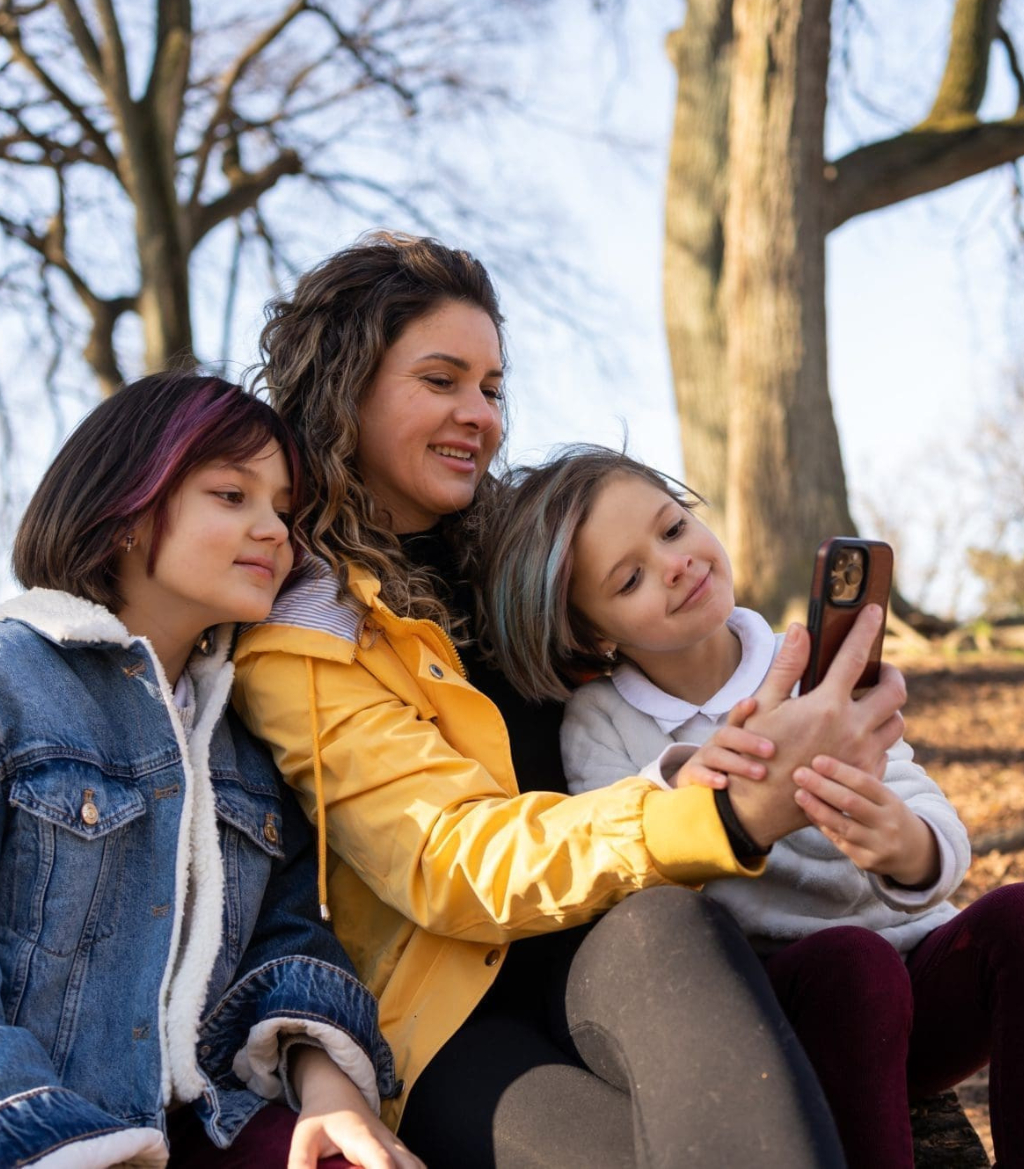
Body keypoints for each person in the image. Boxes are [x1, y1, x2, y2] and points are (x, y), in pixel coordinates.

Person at [232, 232, 906, 1168]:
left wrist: (789, 718)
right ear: (346, 388)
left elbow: (681, 634)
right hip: (456, 1010)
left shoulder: (540, 550)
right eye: (442, 381)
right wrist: (719, 813)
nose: (481, 415)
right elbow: (444, 859)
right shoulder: (304, 627)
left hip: (635, 938)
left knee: (672, 933)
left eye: (493, 387)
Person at [0, 372, 423, 1169]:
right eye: (231, 495)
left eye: (283, 509)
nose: (276, 530)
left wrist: (328, 1088)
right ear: (128, 509)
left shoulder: (246, 738)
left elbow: (286, 938)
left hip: (198, 1124)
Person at [481, 443, 1024, 1169]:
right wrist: (688, 783)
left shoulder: (805, 660)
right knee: (852, 963)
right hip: (806, 1009)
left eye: (673, 528)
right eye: (631, 577)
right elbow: (617, 868)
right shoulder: (603, 719)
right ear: (591, 633)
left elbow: (923, 806)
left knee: (1019, 917)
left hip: (923, 986)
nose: (675, 563)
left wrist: (909, 846)